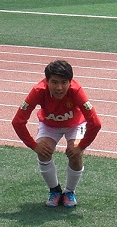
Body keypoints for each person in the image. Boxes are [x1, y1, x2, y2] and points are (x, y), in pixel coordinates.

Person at [11, 59, 103, 207]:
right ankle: (55, 190)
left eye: (64, 82)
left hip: (75, 124)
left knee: (75, 154)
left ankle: (69, 192)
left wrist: (81, 147)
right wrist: (34, 146)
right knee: (43, 151)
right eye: (54, 82)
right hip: (49, 125)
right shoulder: (38, 91)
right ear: (47, 81)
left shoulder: (76, 91)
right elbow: (17, 121)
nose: (59, 88)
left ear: (70, 82)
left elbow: (96, 123)